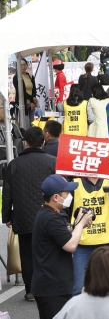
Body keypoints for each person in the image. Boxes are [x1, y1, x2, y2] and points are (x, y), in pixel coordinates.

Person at [33, 174, 94, 319]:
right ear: (56, 197)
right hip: (53, 287)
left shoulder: (47, 215)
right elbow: (70, 244)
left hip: (47, 284)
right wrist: (81, 224)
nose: (69, 196)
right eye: (67, 193)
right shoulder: (50, 219)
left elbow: (66, 234)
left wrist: (77, 222)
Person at [3, 127, 56, 300]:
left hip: (23, 216)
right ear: (43, 142)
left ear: (25, 143)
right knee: (48, 251)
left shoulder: (14, 164)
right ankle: (48, 287)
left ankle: (31, 290)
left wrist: (7, 217)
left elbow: (7, 194)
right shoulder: (52, 162)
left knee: (26, 253)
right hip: (48, 215)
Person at [67, 172, 109, 296]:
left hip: (108, 241)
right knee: (79, 288)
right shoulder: (75, 182)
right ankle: (80, 315)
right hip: (81, 243)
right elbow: (66, 209)